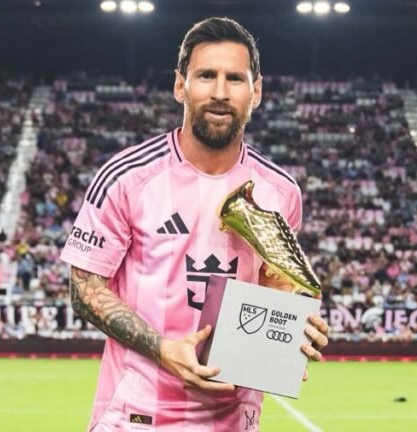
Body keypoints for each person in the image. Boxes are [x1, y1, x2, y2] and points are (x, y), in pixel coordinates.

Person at [59, 17, 330, 431]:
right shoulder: (127, 177)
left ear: (256, 91)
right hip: (135, 417)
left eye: (235, 78)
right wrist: (163, 348)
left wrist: (291, 331)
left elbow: (275, 287)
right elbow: (84, 288)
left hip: (234, 419)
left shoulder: (281, 192)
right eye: (206, 76)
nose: (220, 92)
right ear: (180, 86)